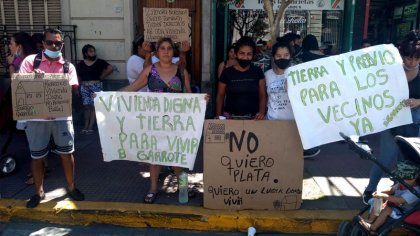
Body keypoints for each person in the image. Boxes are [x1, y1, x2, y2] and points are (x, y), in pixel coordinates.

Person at [120, 37, 199, 204]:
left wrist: (201, 100)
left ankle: (183, 187)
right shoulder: (149, 70)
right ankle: (153, 188)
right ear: (157, 52)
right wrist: (107, 96)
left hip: (177, 122)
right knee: (155, 157)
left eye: (169, 48)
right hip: (154, 121)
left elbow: (189, 94)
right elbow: (132, 88)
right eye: (162, 48)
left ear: (173, 51)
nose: (166, 51)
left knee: (179, 156)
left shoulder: (181, 71)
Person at [19, 28, 84, 208]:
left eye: (57, 43)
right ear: (43, 44)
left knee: (67, 153)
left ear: (62, 45)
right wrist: (35, 81)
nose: (54, 46)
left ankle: (71, 187)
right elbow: (21, 87)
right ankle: (38, 192)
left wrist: (45, 83)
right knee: (37, 156)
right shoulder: (30, 62)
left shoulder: (68, 67)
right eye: (50, 42)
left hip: (62, 118)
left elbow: (72, 91)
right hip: (36, 119)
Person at [363, 35, 420, 204]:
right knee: (385, 160)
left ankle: (398, 193)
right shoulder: (390, 70)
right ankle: (370, 190)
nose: (412, 62)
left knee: (407, 163)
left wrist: (418, 102)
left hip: (414, 126)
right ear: (401, 55)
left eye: (416, 58)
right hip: (392, 122)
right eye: (408, 57)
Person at [359, 160, 420, 234]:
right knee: (379, 199)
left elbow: (400, 200)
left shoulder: (414, 192)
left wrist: (384, 196)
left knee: (387, 210)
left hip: (405, 212)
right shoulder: (402, 184)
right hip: (396, 206)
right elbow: (391, 190)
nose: (400, 181)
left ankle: (373, 228)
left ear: (413, 179)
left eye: (403, 179)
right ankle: (371, 219)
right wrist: (381, 192)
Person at [215, 36, 266, 120]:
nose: (245, 57)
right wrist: (218, 115)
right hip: (230, 118)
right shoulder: (227, 73)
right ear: (235, 54)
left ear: (253, 55)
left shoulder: (258, 72)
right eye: (241, 53)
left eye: (249, 54)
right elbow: (220, 95)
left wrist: (261, 113)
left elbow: (262, 95)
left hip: (254, 119)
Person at [76, 44, 113, 134]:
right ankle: (85, 126)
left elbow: (110, 68)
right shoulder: (81, 64)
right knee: (86, 106)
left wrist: (102, 76)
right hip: (84, 86)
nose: (93, 53)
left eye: (94, 51)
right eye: (91, 51)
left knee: (93, 106)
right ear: (85, 53)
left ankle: (90, 127)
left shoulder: (99, 62)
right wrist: (76, 89)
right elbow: (77, 76)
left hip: (95, 86)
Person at [265, 39, 294, 121]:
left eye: (286, 55)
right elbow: (264, 98)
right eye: (278, 56)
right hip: (271, 122)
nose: (282, 58)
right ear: (273, 57)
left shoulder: (296, 74)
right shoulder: (267, 75)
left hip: (293, 122)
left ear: (290, 56)